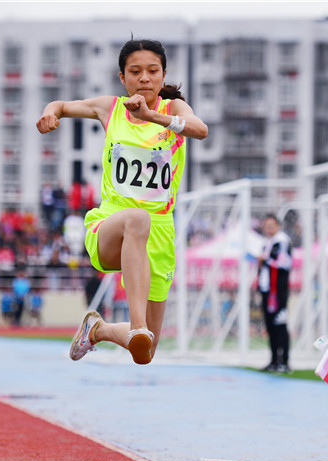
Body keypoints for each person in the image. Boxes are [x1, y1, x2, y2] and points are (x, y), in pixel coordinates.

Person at [36, 38, 208, 365]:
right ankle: (137, 325)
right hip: (111, 225)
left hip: (160, 233)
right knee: (136, 218)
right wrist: (49, 113)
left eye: (152, 71)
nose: (144, 78)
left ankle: (97, 329)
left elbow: (199, 130)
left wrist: (154, 117)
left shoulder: (173, 111)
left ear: (163, 74)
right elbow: (60, 104)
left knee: (146, 351)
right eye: (135, 71)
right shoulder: (110, 108)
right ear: (122, 78)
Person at [257, 214, 293, 372]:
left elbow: (282, 263)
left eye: (271, 225)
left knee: (280, 323)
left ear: (278, 225)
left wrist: (263, 260)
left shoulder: (281, 240)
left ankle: (284, 361)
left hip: (278, 290)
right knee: (270, 325)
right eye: (266, 225)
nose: (268, 228)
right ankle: (273, 360)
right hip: (267, 289)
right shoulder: (267, 242)